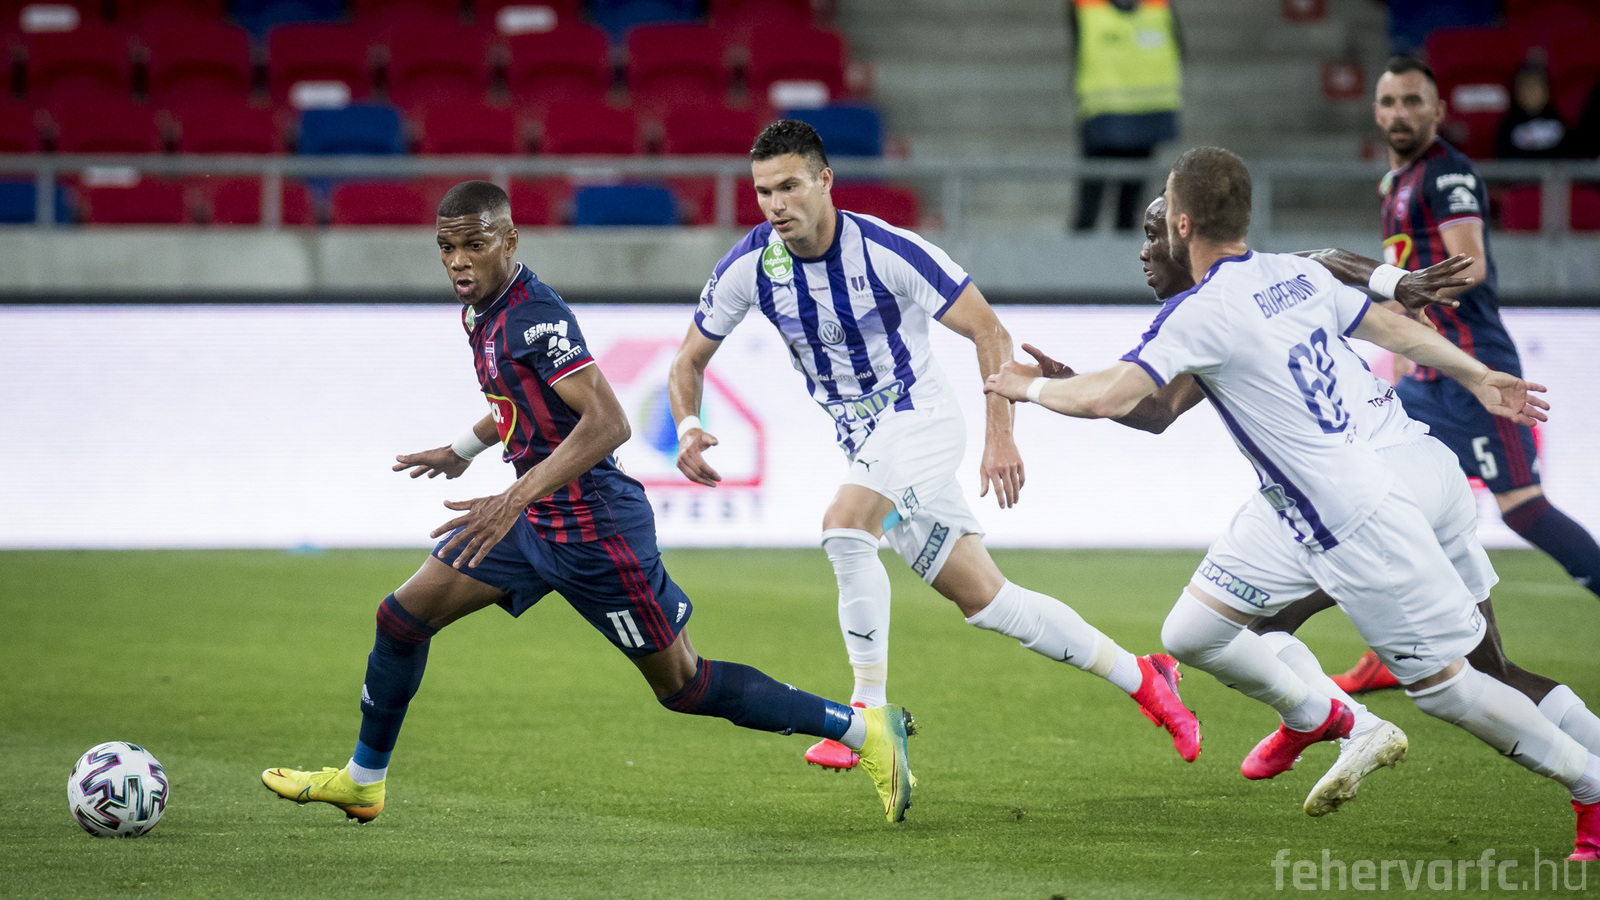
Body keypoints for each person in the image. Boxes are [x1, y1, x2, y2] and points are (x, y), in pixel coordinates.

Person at [987, 147, 1600, 860]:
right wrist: (1476, 374)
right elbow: (1385, 324)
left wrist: (1028, 388)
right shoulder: (1289, 273)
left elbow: (1113, 396)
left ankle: (1589, 786)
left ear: (1184, 224)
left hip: (1353, 510)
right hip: (1358, 481)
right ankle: (1319, 715)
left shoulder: (1201, 314)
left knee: (1449, 690)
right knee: (1194, 630)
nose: (1146, 249)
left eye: (1159, 224)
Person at [261, 181, 918, 825]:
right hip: (532, 520)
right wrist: (461, 450)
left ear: (509, 241)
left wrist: (511, 498)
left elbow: (608, 423)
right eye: (446, 248)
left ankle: (863, 731)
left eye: (473, 246)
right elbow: (516, 399)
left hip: (594, 532)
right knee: (401, 620)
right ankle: (363, 782)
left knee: (685, 685)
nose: (458, 261)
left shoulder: (534, 318)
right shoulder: (480, 311)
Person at [668, 120, 1201, 774]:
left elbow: (989, 331)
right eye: (763, 192)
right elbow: (687, 361)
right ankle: (1145, 676)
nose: (776, 205)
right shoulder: (752, 266)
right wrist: (688, 426)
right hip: (869, 447)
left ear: (825, 181)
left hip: (920, 421)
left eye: (789, 187)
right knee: (990, 601)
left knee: (844, 528)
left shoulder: (885, 250)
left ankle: (868, 716)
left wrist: (999, 436)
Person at [1327, 55, 1600, 692]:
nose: (1400, 113)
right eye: (1389, 102)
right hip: (1424, 378)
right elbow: (1410, 266)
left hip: (1476, 369)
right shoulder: (1394, 182)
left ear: (1438, 110)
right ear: (1376, 111)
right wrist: (1403, 343)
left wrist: (1400, 306)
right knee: (1391, 506)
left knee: (1523, 510)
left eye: (1413, 101)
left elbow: (1469, 265)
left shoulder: (1446, 172)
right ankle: (1400, 650)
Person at [1069, 0, 1182, 232]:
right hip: (1136, 114)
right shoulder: (1158, 9)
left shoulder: (1090, 10)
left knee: (1100, 205)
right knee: (1120, 207)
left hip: (1116, 114)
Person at [1494, 58, 1571, 160]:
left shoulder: (1561, 125)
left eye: (1535, 86)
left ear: (1547, 91)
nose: (1531, 92)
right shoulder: (1507, 128)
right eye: (1525, 87)